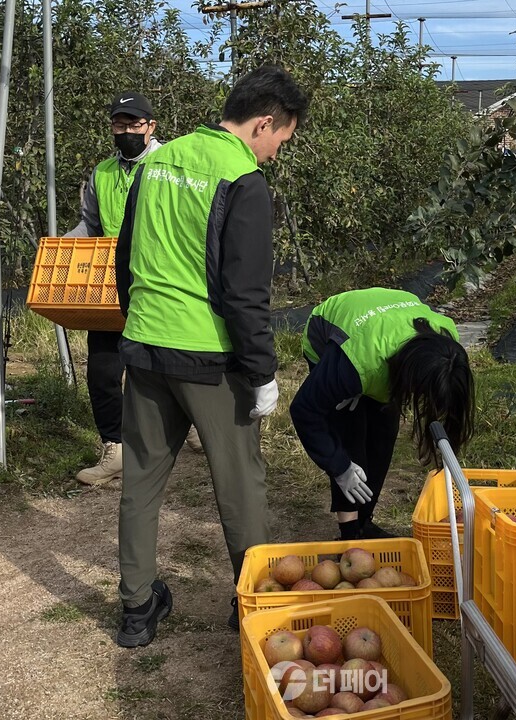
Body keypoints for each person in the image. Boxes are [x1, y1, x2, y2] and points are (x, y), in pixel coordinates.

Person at [111, 65, 308, 648]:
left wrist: (138, 322)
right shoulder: (242, 178)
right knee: (240, 483)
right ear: (264, 123)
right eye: (281, 139)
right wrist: (262, 372)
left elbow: (125, 257)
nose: (276, 152)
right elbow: (246, 294)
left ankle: (137, 608)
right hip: (210, 360)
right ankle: (251, 603)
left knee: (141, 480)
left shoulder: (156, 163)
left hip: (146, 348)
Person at [66, 91, 202, 487]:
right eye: (118, 124)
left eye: (133, 124)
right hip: (113, 284)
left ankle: (197, 424)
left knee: (173, 360)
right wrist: (65, 245)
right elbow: (91, 225)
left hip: (162, 281)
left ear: (151, 126)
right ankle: (116, 448)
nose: (125, 131)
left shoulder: (171, 165)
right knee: (103, 370)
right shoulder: (103, 173)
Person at [290, 287, 476, 541]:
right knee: (350, 433)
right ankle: (350, 535)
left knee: (383, 434)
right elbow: (304, 410)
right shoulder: (358, 362)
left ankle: (364, 523)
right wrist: (339, 466)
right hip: (333, 333)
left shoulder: (447, 346)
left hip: (383, 330)